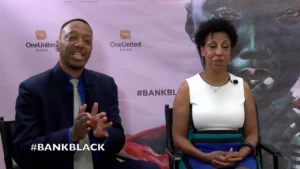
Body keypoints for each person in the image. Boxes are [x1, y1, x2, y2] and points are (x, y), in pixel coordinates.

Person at [12, 18, 161, 169]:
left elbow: (118, 138)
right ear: (58, 45)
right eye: (72, 37)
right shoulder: (32, 88)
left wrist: (104, 135)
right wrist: (70, 136)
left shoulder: (105, 85)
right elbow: (23, 150)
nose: (80, 44)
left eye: (87, 41)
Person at [172, 18, 259, 169]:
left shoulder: (242, 87)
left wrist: (242, 153)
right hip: (199, 154)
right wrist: (205, 157)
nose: (219, 52)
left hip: (237, 154)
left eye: (225, 46)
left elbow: (252, 133)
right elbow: (178, 138)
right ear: (202, 50)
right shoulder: (187, 88)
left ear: (230, 51)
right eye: (212, 46)